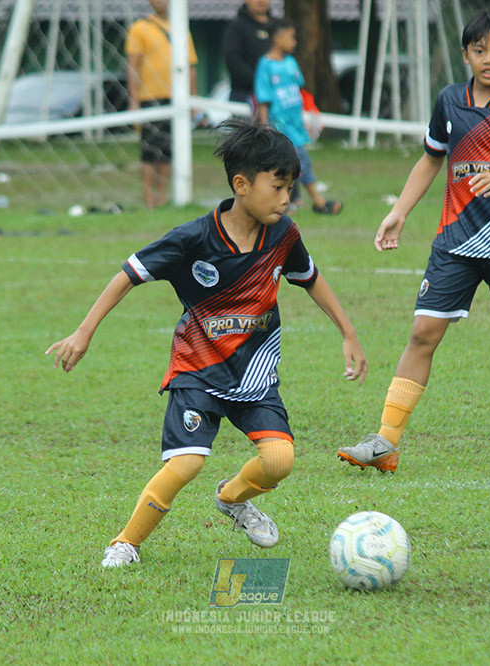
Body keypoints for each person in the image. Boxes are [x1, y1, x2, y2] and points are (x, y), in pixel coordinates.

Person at [47, 117, 367, 568]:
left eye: (290, 187)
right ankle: (125, 543)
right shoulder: (193, 238)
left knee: (279, 461)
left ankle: (233, 499)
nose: (286, 198)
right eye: (277, 187)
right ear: (241, 184)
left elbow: (310, 279)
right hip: (197, 369)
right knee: (186, 464)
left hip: (255, 378)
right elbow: (129, 273)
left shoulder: (283, 235)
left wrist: (348, 333)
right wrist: (84, 331)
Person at [336, 9, 490, 475]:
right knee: (422, 333)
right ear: (465, 53)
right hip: (454, 241)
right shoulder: (449, 100)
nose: (489, 59)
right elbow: (430, 160)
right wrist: (398, 213)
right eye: (479, 50)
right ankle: (386, 442)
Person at [255, 19, 342, 215]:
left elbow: (301, 93)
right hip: (280, 127)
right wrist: (265, 126)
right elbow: (263, 100)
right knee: (298, 162)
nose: (294, 42)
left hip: (296, 125)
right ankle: (318, 202)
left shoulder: (290, 63)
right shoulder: (265, 66)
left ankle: (288, 203)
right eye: (291, 37)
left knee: (291, 165)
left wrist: (310, 117)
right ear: (277, 38)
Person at [125, 0, 198, 209]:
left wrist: (194, 98)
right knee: (150, 151)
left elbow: (191, 66)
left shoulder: (182, 29)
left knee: (168, 151)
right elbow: (133, 66)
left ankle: (162, 196)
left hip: (176, 98)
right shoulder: (140, 28)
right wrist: (134, 100)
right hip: (150, 97)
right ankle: (148, 197)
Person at [224, 0, 274, 107]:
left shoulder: (277, 27)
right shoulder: (237, 26)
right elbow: (233, 60)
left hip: (276, 94)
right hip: (245, 95)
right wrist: (259, 81)